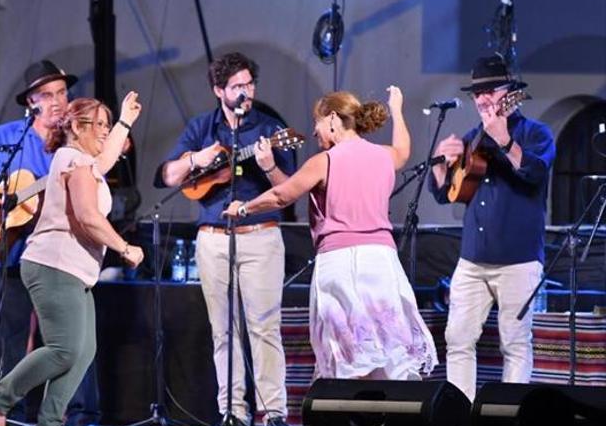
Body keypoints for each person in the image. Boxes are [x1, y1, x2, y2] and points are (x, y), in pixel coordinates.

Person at [224, 86, 438, 382]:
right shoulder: (384, 155)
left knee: (346, 356)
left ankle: (348, 418)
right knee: (387, 353)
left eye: (318, 123)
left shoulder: (325, 162)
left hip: (342, 263)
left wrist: (244, 208)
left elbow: (282, 196)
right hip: (383, 263)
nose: (315, 132)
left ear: (334, 119)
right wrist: (397, 109)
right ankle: (388, 420)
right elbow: (403, 150)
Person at [0, 94, 143, 426]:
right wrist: (124, 248)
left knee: (84, 350)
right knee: (65, 349)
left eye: (107, 126)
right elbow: (88, 216)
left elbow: (108, 157)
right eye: (101, 126)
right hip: (53, 264)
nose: (106, 133)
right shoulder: (72, 159)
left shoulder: (88, 163)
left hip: (75, 270)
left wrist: (125, 120)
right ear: (78, 128)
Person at [0, 60, 100, 426]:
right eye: (47, 95)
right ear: (31, 102)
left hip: (61, 259)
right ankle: (2, 414)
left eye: (62, 93)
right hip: (11, 254)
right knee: (9, 336)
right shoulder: (7, 138)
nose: (57, 102)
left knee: (71, 340)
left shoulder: (77, 142)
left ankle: (79, 418)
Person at [155, 52, 294, 426]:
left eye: (249, 84)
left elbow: (289, 187)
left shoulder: (271, 128)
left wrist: (267, 164)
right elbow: (168, 176)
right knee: (223, 330)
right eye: (237, 86)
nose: (245, 92)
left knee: (264, 327)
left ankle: (273, 413)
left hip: (260, 236)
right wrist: (196, 159)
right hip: (213, 239)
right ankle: (231, 411)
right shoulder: (202, 128)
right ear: (219, 90)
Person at [428, 55, 555, 402]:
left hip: (518, 259)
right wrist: (443, 164)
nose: (483, 98)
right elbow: (446, 194)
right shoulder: (472, 138)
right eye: (477, 93)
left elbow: (534, 173)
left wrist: (504, 141)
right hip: (472, 259)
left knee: (514, 343)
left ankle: (510, 424)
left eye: (490, 90)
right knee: (457, 340)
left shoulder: (536, 134)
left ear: (510, 93)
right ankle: (459, 421)